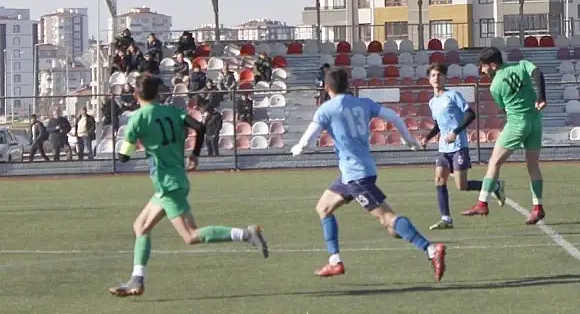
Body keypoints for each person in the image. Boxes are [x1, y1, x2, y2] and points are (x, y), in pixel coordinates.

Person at [109, 74, 269, 297]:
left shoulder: (137, 119)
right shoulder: (172, 111)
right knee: (140, 227)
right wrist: (194, 155)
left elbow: (123, 157)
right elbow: (200, 127)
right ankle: (137, 280)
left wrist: (138, 142)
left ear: (135, 95)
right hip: (173, 180)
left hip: (168, 184)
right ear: (157, 93)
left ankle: (245, 234)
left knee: (190, 235)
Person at [290, 68, 447, 281]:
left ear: (327, 88)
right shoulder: (362, 103)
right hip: (356, 173)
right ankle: (335, 261)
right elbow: (392, 115)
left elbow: (309, 137)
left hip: (356, 177)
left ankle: (430, 249)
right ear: (348, 85)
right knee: (324, 208)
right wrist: (409, 140)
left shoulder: (326, 109)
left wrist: (299, 147)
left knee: (388, 220)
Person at [461, 47, 547, 225]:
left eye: (484, 67)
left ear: (493, 65)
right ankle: (537, 207)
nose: (482, 70)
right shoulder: (522, 65)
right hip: (536, 121)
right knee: (533, 166)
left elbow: (502, 107)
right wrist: (541, 97)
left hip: (517, 124)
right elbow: (538, 73)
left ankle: (482, 203)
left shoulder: (494, 86)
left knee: (494, 162)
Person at [421, 63, 504, 230]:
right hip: (443, 149)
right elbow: (438, 125)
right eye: (433, 75)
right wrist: (427, 138)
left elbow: (470, 114)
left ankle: (495, 185)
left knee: (461, 186)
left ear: (445, 78)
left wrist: (455, 132)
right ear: (429, 79)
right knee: (439, 180)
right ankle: (446, 219)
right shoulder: (432, 102)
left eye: (440, 75)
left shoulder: (453, 95)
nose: (437, 78)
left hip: (459, 146)